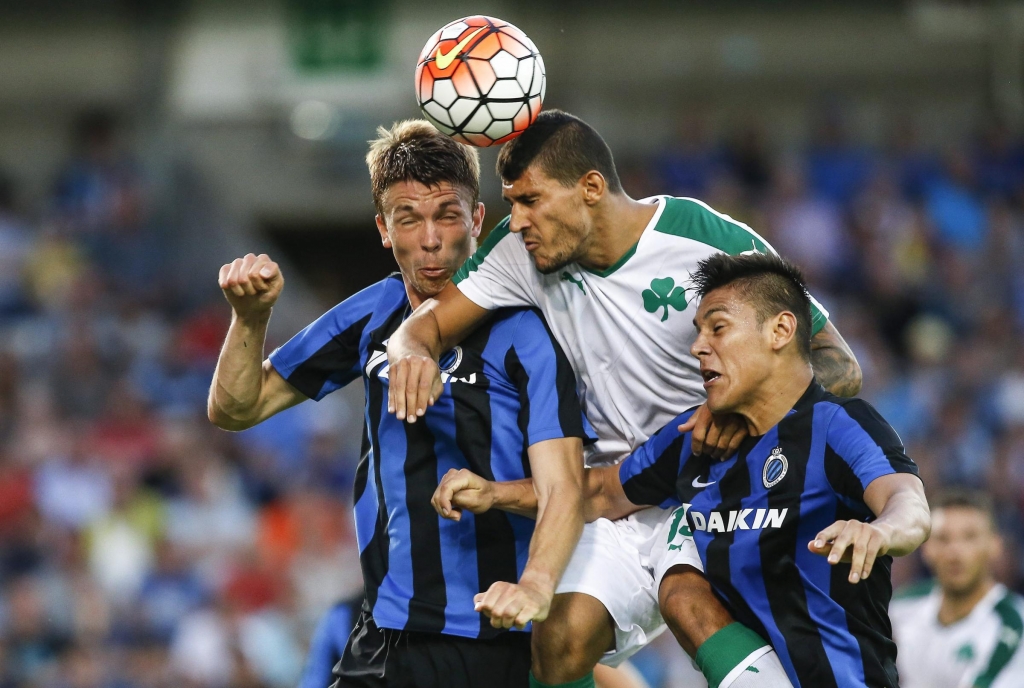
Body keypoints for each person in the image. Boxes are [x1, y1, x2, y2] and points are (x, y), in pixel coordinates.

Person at [386, 110, 863, 688]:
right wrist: (411, 349)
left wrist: (737, 413)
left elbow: (840, 368)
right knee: (557, 644)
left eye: (531, 201)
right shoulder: (517, 255)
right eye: (511, 203)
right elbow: (427, 326)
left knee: (689, 602)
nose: (516, 222)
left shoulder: (704, 240)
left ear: (590, 188)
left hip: (718, 482)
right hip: (612, 493)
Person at [207, 120, 593, 688]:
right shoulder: (373, 313)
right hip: (384, 635)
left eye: (448, 215)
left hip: (492, 642)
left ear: (478, 220)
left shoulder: (525, 331)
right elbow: (236, 409)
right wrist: (250, 317)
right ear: (385, 231)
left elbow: (567, 490)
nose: (431, 239)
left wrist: (530, 573)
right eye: (408, 218)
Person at [435, 252, 931, 688]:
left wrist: (880, 532)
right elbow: (599, 492)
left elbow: (908, 504)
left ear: (780, 330)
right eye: (697, 332)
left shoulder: (838, 424)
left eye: (718, 327)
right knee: (662, 580)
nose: (698, 346)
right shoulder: (695, 440)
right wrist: (495, 493)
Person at [890, 489, 1024, 688]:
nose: (955, 551)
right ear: (926, 549)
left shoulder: (1013, 625)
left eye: (969, 537)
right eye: (943, 538)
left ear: (995, 546)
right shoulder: (900, 608)